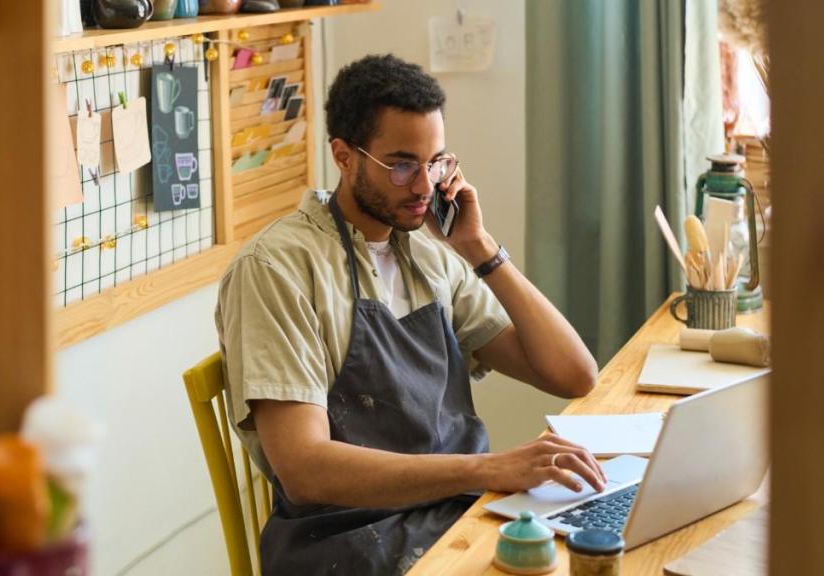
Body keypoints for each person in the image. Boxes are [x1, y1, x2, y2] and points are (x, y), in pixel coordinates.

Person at [215, 54, 603, 575]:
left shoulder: (431, 253)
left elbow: (573, 374)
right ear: (344, 156)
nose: (424, 187)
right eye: (401, 165)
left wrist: (482, 249)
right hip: (348, 544)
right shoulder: (277, 268)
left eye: (436, 163)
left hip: (457, 516)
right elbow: (305, 468)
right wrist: (491, 468)